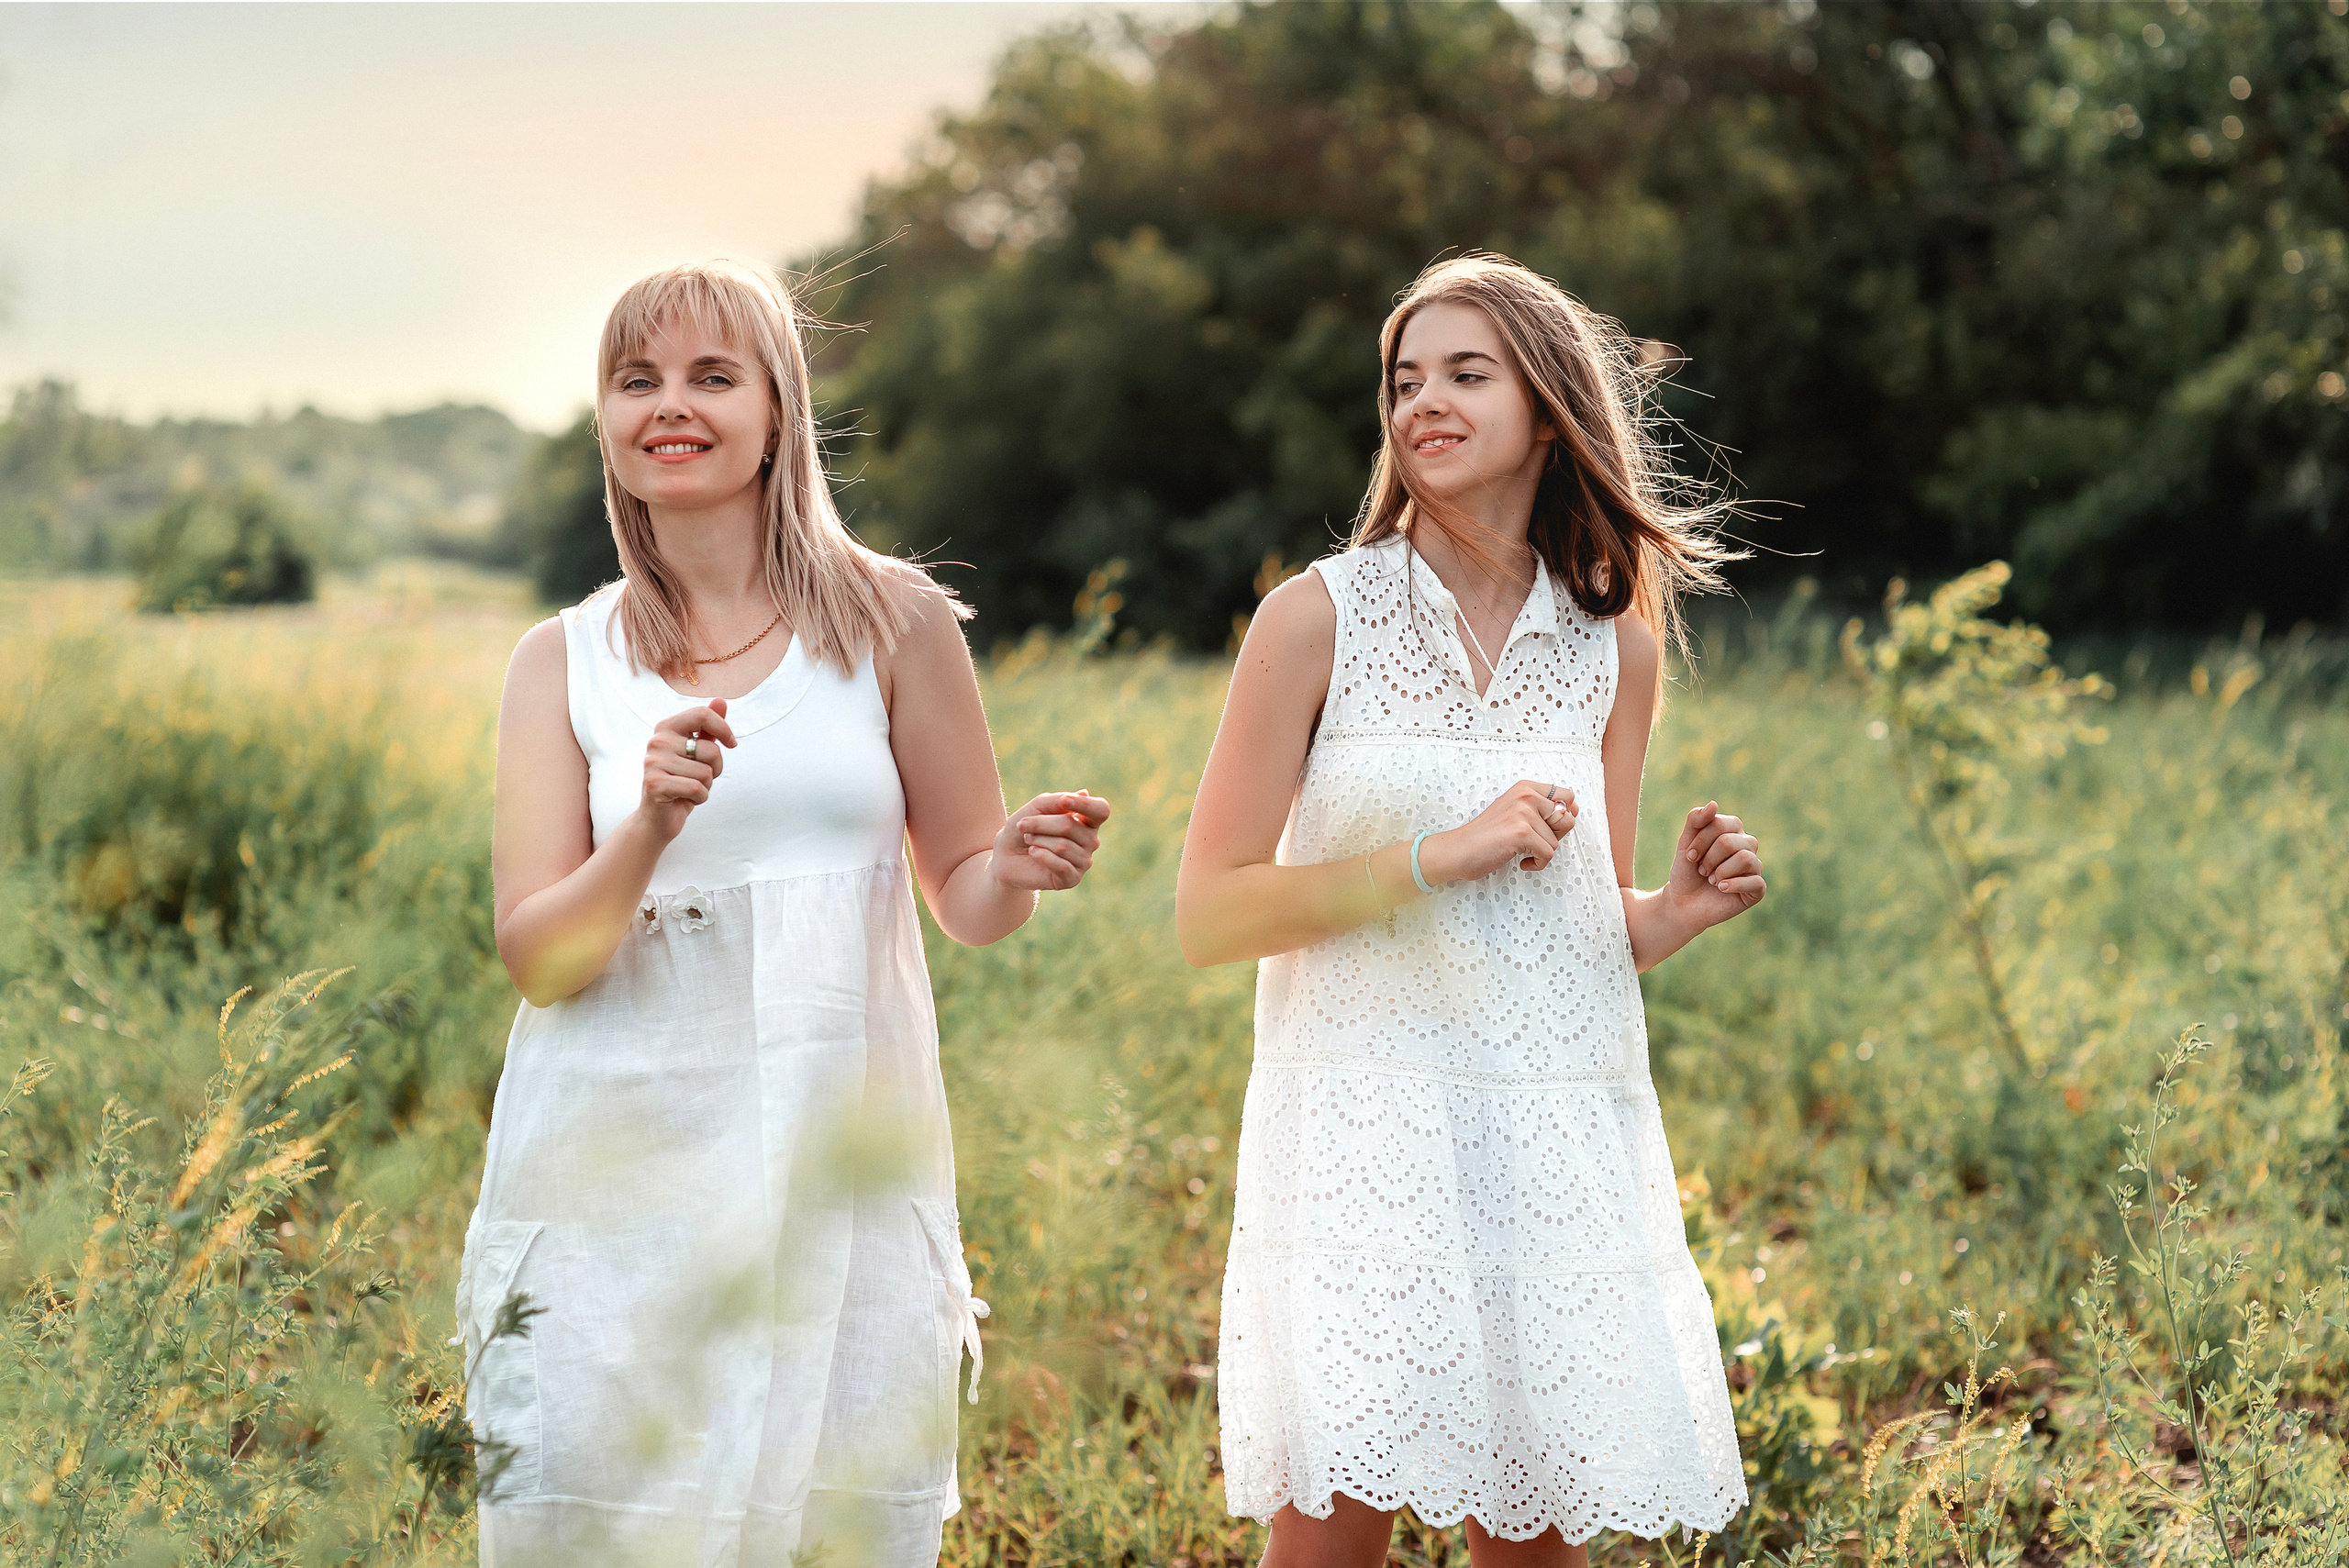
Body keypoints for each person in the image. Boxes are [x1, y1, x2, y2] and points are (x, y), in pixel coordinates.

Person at [462, 260, 1109, 1568]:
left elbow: (967, 898)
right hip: (617, 1187)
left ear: (778, 411)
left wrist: (1018, 862)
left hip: (834, 1170)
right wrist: (646, 825)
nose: (671, 405)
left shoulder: (893, 622)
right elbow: (541, 958)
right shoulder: (565, 659)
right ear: (606, 421)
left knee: (820, 1521)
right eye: (636, 380)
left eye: (712, 375)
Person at [1177, 253, 1762, 1567]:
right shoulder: (1315, 618)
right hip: (1365, 1127)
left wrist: (1672, 909)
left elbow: (1583, 929)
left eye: (1464, 372)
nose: (1422, 400)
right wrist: (1434, 854)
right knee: (1331, 1530)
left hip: (1546, 1124)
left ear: (1549, 409)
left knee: (1533, 1539)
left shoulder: (1614, 645)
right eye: (1403, 379)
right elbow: (1209, 913)